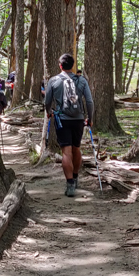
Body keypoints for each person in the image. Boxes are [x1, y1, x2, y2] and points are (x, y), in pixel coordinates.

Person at [43, 53, 94, 197]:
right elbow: (89, 102)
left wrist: (49, 112)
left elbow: (47, 101)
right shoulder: (81, 80)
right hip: (78, 119)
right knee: (76, 148)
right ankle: (76, 177)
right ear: (72, 65)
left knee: (66, 152)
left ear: (60, 65)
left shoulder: (54, 81)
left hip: (62, 119)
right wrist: (89, 118)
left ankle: (70, 184)